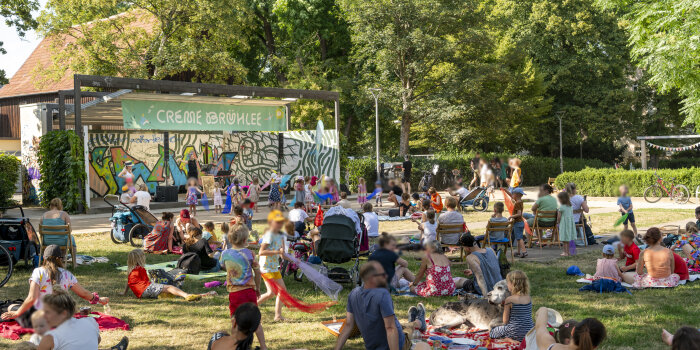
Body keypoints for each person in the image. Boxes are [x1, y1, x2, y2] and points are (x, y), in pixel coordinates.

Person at [1, 245, 108, 321]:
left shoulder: (38, 272)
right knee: (18, 304)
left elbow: (31, 298)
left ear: (44, 257)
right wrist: (98, 299)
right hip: (63, 316)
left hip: (41, 317)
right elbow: (84, 294)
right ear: (60, 259)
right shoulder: (67, 274)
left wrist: (17, 313)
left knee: (10, 306)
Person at [334, 261, 405, 350]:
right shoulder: (383, 294)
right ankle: (418, 322)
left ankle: (415, 322)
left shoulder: (353, 293)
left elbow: (348, 325)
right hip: (394, 344)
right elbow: (390, 328)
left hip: (372, 346)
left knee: (404, 325)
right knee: (414, 337)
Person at [219, 224, 267, 349]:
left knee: (235, 320)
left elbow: (223, 266)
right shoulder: (250, 253)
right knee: (255, 320)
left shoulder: (225, 254)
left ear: (230, 238)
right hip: (249, 291)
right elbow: (257, 272)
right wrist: (257, 288)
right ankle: (263, 346)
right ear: (245, 240)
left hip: (234, 293)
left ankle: (236, 346)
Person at [121, 249, 204, 301]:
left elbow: (128, 283)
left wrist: (124, 293)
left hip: (140, 293)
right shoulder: (140, 269)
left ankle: (163, 295)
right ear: (140, 259)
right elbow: (147, 283)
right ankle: (187, 295)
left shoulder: (131, 270)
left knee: (165, 290)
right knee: (169, 287)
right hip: (145, 289)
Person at [257, 210, 290, 321]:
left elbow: (282, 254)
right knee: (271, 293)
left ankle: (278, 316)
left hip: (274, 267)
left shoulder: (280, 235)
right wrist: (277, 252)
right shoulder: (269, 235)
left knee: (282, 291)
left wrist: (294, 260)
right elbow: (261, 252)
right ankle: (249, 308)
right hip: (265, 267)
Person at [489, 270, 534, 342]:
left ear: (513, 284)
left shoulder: (509, 300)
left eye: (508, 282)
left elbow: (505, 321)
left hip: (514, 332)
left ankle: (509, 340)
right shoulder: (528, 298)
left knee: (493, 331)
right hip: (529, 332)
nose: (507, 285)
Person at [534, 307, 607, 350]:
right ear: (595, 347)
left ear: (573, 330)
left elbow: (540, 327)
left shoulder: (551, 347)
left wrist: (543, 309)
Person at [509, 188, 528, 258]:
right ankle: (519, 251)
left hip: (518, 223)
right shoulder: (520, 202)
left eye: (513, 194)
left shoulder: (517, 204)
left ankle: (524, 251)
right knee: (518, 238)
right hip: (520, 222)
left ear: (516, 195)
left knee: (519, 238)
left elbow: (519, 214)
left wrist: (511, 216)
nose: (512, 196)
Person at [557, 191, 577, 256]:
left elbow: (559, 217)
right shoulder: (570, 206)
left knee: (564, 239)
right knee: (567, 239)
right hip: (570, 224)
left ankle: (565, 252)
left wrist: (558, 222)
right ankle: (568, 252)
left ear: (562, 199)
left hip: (564, 224)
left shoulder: (561, 207)